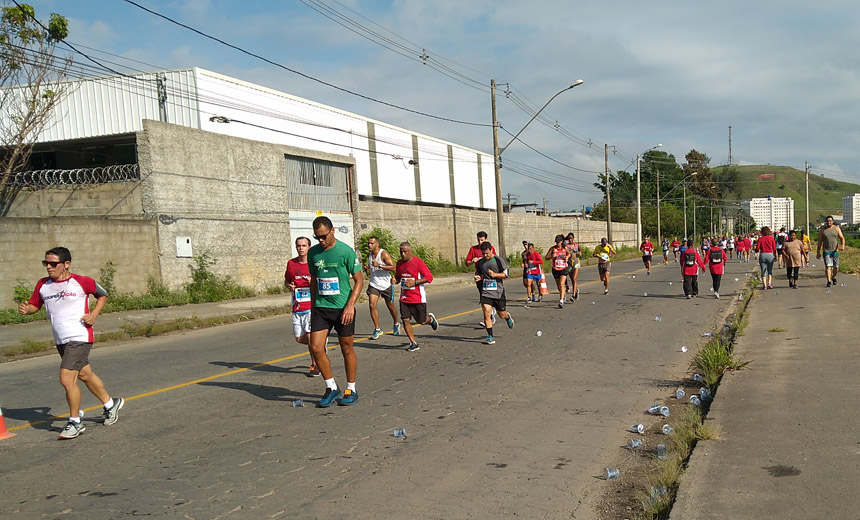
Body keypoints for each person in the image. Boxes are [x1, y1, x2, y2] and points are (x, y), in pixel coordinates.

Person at [18, 247, 124, 439]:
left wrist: (93, 314)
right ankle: (111, 404)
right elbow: (36, 305)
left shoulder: (81, 281)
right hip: (61, 339)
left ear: (66, 264)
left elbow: (103, 293)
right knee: (84, 374)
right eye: (46, 263)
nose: (49, 267)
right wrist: (28, 310)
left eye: (53, 264)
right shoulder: (43, 285)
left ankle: (75, 422)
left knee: (67, 379)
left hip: (80, 336)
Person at [307, 216, 364, 407]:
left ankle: (350, 389)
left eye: (323, 236)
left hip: (342, 308)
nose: (321, 241)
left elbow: (359, 280)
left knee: (346, 348)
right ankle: (331, 387)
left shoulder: (345, 252)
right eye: (317, 237)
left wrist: (350, 306)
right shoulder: (313, 253)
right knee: (316, 347)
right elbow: (313, 280)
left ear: (332, 231)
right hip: (322, 307)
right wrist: (313, 306)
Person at [285, 236, 319, 377]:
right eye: (298, 246)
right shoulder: (291, 264)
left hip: (311, 306)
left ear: (309, 247)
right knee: (300, 338)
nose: (301, 248)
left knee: (311, 338)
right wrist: (289, 286)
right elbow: (287, 280)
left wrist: (313, 282)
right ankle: (319, 346)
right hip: (297, 306)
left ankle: (315, 365)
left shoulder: (314, 263)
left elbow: (322, 282)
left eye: (304, 245)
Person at [395, 241, 438, 352]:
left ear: (410, 251)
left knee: (421, 321)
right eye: (401, 252)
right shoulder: (399, 263)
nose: (403, 254)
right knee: (405, 320)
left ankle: (430, 319)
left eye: (405, 252)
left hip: (417, 298)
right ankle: (413, 342)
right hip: (404, 298)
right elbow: (398, 277)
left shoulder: (418, 263)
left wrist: (415, 282)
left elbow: (429, 277)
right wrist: (395, 280)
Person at [474, 242, 515, 344]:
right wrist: (478, 277)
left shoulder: (498, 260)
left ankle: (507, 317)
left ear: (491, 250)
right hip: (486, 292)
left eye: (487, 253)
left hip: (498, 292)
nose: (485, 256)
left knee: (501, 314)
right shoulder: (480, 262)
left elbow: (506, 274)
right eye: (483, 254)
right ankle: (490, 336)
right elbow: (478, 273)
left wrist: (495, 274)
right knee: (486, 312)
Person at [365, 236, 400, 340]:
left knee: (390, 306)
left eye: (371, 243)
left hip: (386, 285)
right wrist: (367, 267)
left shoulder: (383, 254)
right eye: (368, 243)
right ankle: (377, 329)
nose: (369, 245)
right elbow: (371, 266)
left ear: (377, 244)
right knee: (372, 305)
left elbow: (393, 267)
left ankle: (396, 323)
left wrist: (379, 265)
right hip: (374, 284)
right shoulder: (369, 254)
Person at [466, 231, 496, 326]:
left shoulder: (490, 248)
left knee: (491, 297)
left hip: (489, 276)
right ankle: (488, 317)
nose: (480, 242)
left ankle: (492, 312)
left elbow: (495, 259)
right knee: (483, 298)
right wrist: (472, 261)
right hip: (479, 276)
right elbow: (467, 263)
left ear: (486, 239)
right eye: (478, 240)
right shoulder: (473, 249)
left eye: (482, 240)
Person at [816, 215, 846, 287]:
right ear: (826, 222)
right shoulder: (823, 230)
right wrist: (818, 252)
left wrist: (843, 245)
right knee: (828, 266)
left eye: (830, 221)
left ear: (832, 221)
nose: (829, 222)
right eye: (827, 221)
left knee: (836, 267)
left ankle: (834, 277)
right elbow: (819, 242)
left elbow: (842, 238)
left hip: (835, 250)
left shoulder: (836, 229)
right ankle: (829, 281)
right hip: (826, 250)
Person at [545, 234, 570, 308]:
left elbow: (569, 254)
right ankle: (563, 295)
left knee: (562, 284)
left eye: (558, 242)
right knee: (559, 285)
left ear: (561, 241)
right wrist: (551, 256)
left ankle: (561, 301)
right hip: (555, 268)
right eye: (556, 242)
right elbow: (546, 257)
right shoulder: (552, 249)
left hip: (563, 268)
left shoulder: (564, 248)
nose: (557, 243)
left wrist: (567, 257)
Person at [566, 233, 582, 301]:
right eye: (569, 238)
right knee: (572, 279)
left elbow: (580, 251)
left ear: (573, 238)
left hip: (576, 263)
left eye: (571, 238)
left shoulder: (576, 245)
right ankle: (576, 291)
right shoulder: (566, 246)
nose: (570, 240)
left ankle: (573, 295)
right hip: (569, 264)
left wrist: (579, 253)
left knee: (575, 278)